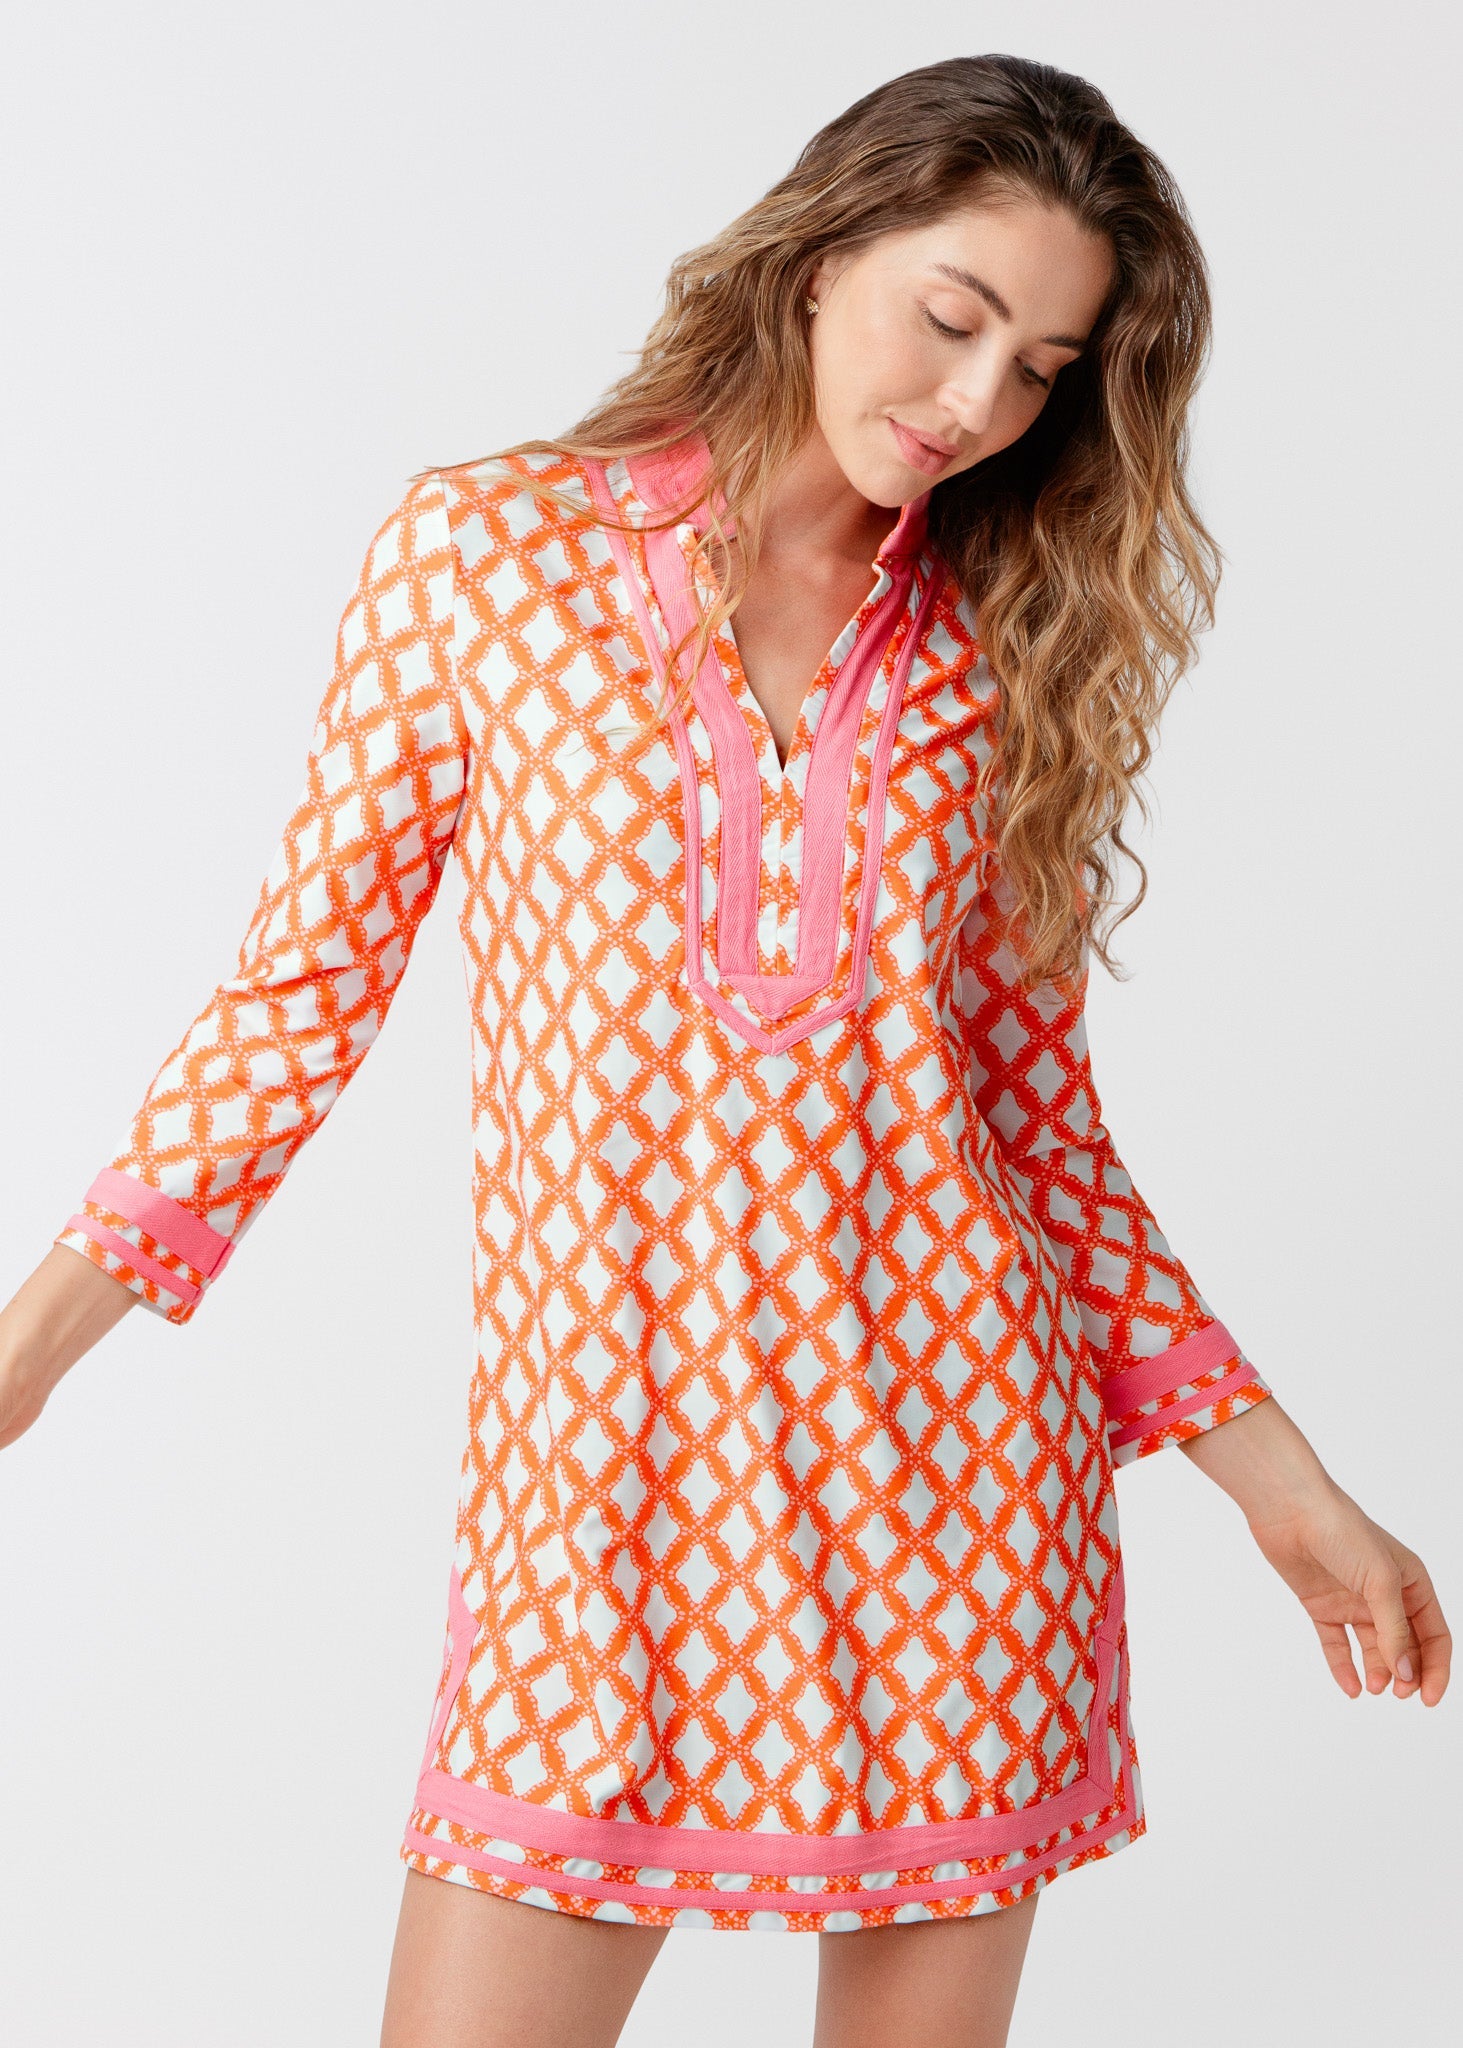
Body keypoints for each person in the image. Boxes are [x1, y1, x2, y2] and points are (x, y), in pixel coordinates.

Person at [1, 49, 1449, 2048]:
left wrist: (1283, 1488)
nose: (973, 404)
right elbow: (297, 995)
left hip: (965, 1517)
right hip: (600, 1519)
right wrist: (33, 1341)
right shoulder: (485, 558)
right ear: (819, 242)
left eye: (1039, 368)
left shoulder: (1000, 641)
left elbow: (1038, 1128)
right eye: (952, 317)